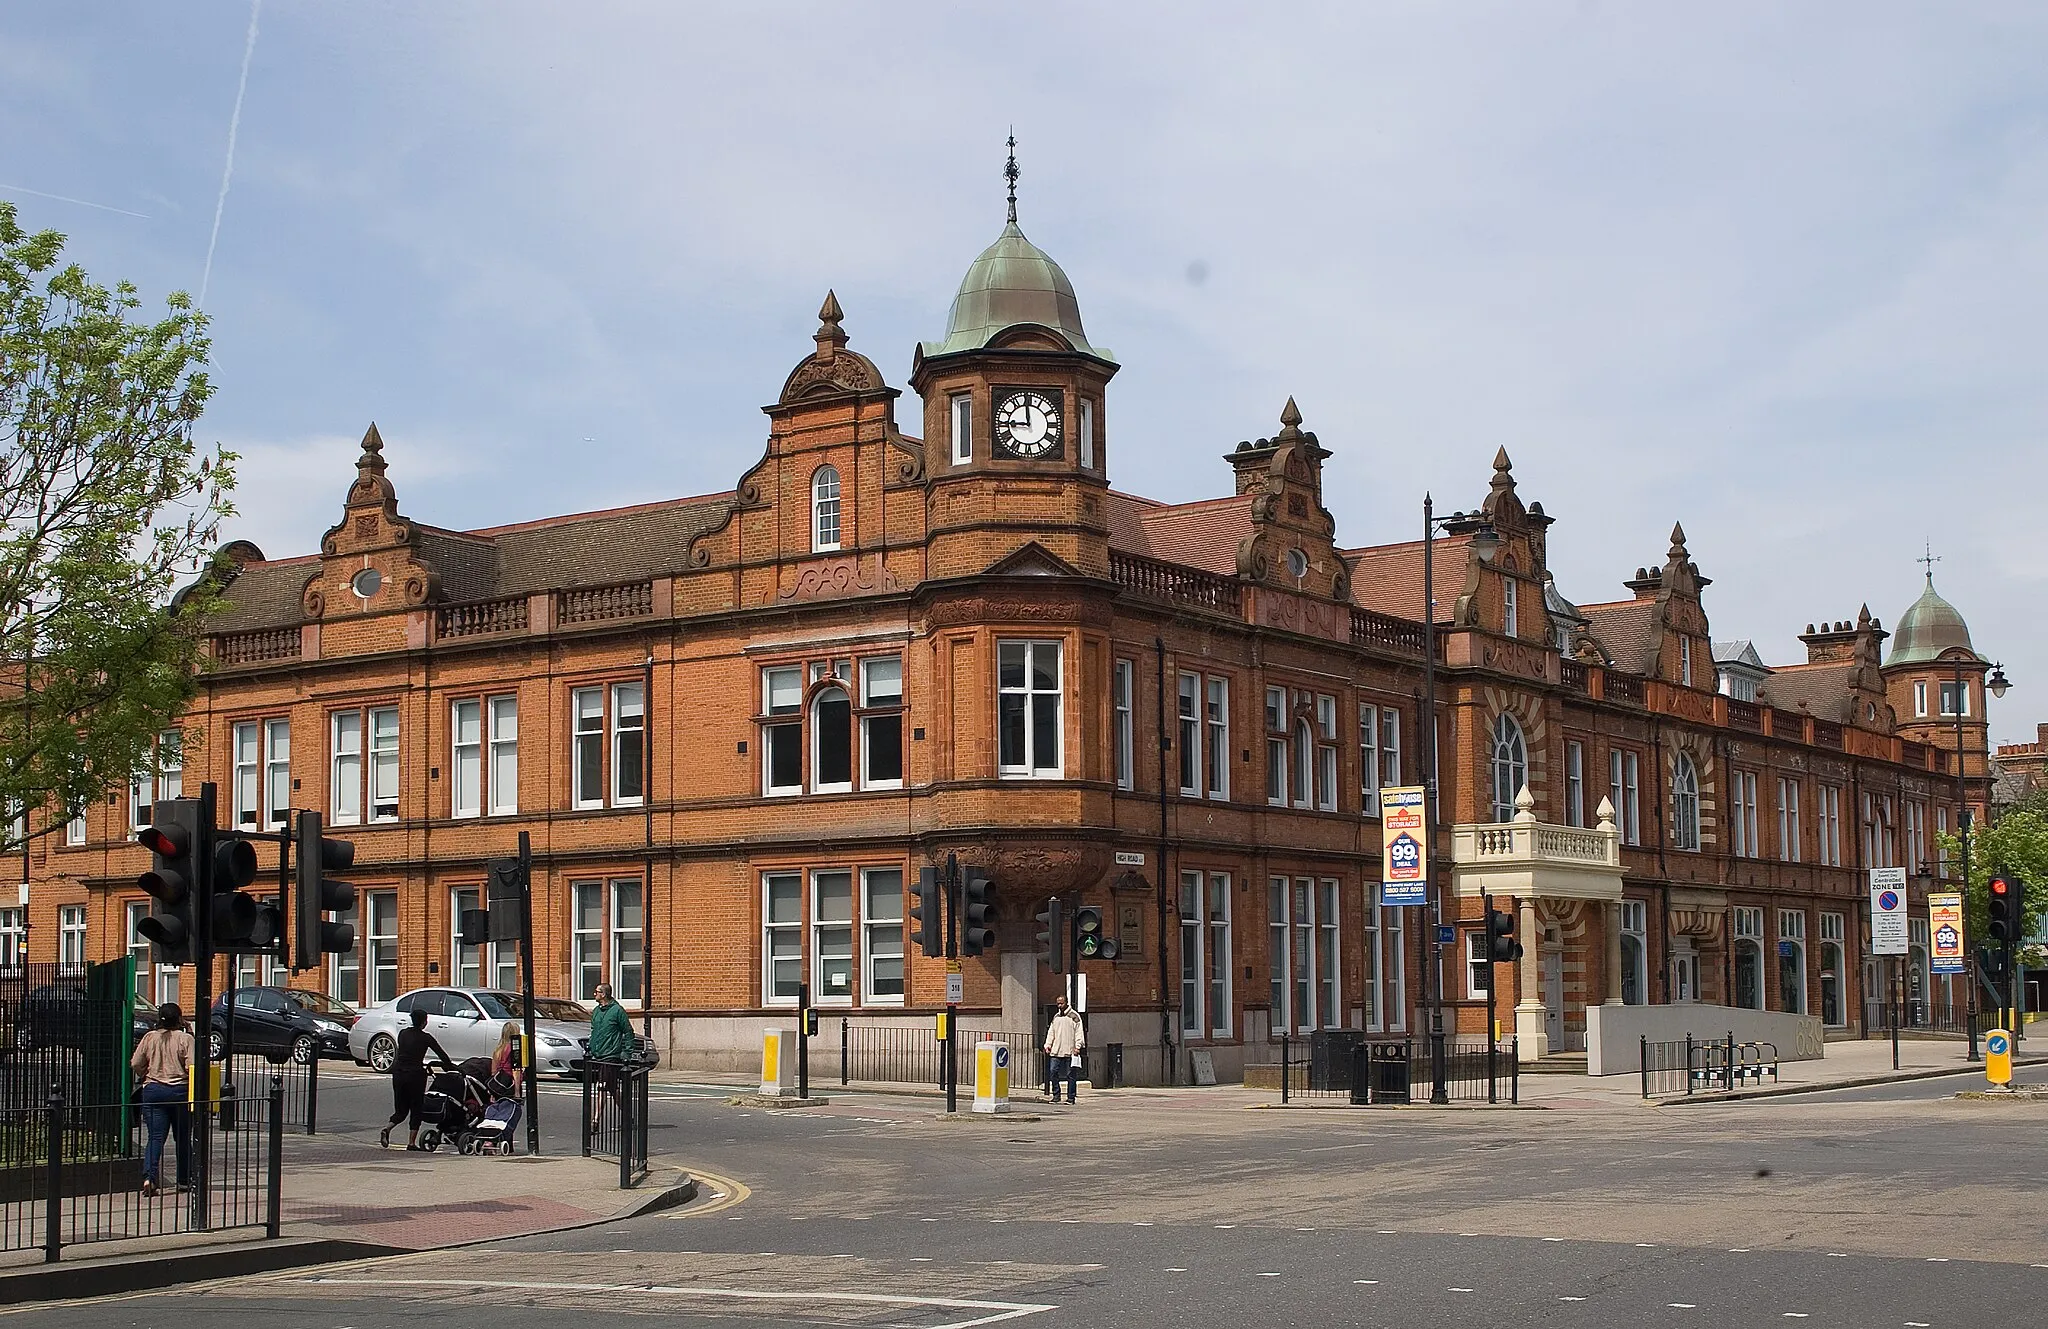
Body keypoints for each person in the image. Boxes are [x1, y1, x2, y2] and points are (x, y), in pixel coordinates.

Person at [131, 1002, 193, 1197]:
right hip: (179, 1092)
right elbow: (193, 1066)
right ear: (179, 1019)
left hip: (153, 1090)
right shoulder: (185, 1038)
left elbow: (135, 1063)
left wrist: (144, 1074)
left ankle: (149, 1177)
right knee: (182, 1138)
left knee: (155, 1138)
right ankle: (184, 1181)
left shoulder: (150, 1037)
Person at [381, 1008, 454, 1150]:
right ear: (424, 1022)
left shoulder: (403, 1034)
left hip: (399, 1074)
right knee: (416, 1109)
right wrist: (450, 1067)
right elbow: (442, 1055)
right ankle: (411, 1143)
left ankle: (387, 1128)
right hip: (415, 1075)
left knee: (401, 1110)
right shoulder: (425, 1037)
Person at [586, 983, 635, 1132]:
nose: (594, 994)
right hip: (598, 1054)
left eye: (597, 992)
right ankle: (628, 1115)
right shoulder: (596, 1011)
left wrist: (626, 1052)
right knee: (612, 1089)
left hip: (611, 1055)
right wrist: (591, 1046)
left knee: (602, 1086)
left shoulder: (617, 1011)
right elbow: (594, 1030)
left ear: (604, 994)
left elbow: (628, 1032)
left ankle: (595, 1121)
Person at [1043, 996, 1085, 1105]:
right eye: (1058, 1004)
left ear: (1066, 1003)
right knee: (1053, 1071)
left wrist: (1078, 1046)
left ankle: (1071, 1097)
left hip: (1070, 1050)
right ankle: (1056, 1095)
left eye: (1061, 1003)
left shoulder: (1074, 1016)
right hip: (1056, 1050)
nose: (1059, 1006)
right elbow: (1051, 1032)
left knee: (1070, 1075)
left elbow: (1079, 1032)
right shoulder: (1056, 1017)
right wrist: (1048, 1044)